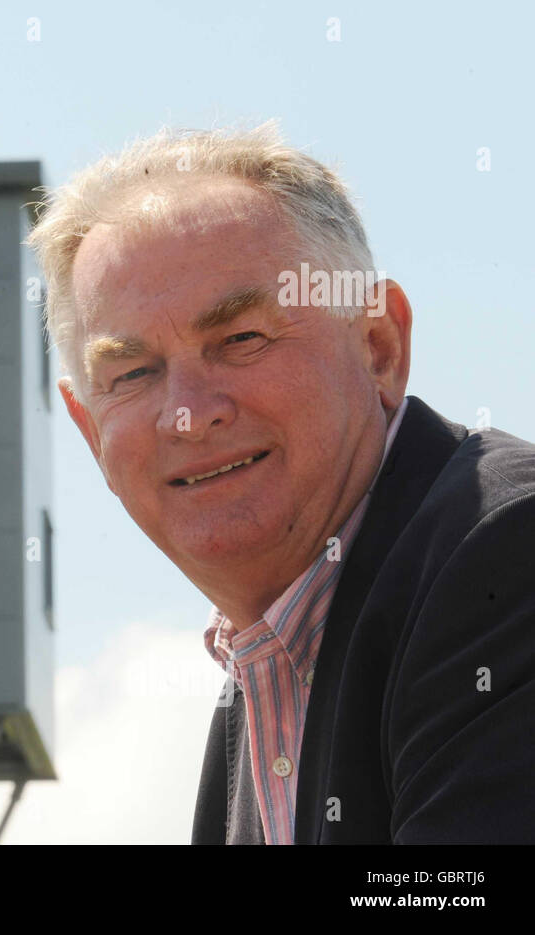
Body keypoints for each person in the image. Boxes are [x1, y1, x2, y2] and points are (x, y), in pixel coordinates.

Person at [28, 123, 535, 844]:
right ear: (89, 430)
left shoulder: (504, 556)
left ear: (379, 347)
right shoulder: (262, 671)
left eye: (240, 340)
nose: (188, 414)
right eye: (133, 373)